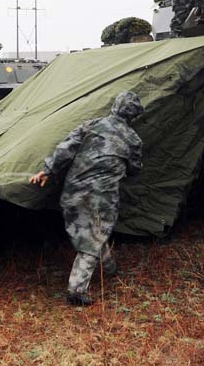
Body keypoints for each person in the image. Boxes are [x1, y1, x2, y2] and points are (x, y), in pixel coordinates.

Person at [29, 91, 144, 306]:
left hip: (74, 189)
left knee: (94, 233)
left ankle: (110, 269)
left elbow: (66, 148)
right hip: (103, 196)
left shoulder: (91, 125)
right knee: (93, 239)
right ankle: (76, 290)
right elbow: (135, 170)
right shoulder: (133, 140)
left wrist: (48, 171)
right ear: (133, 116)